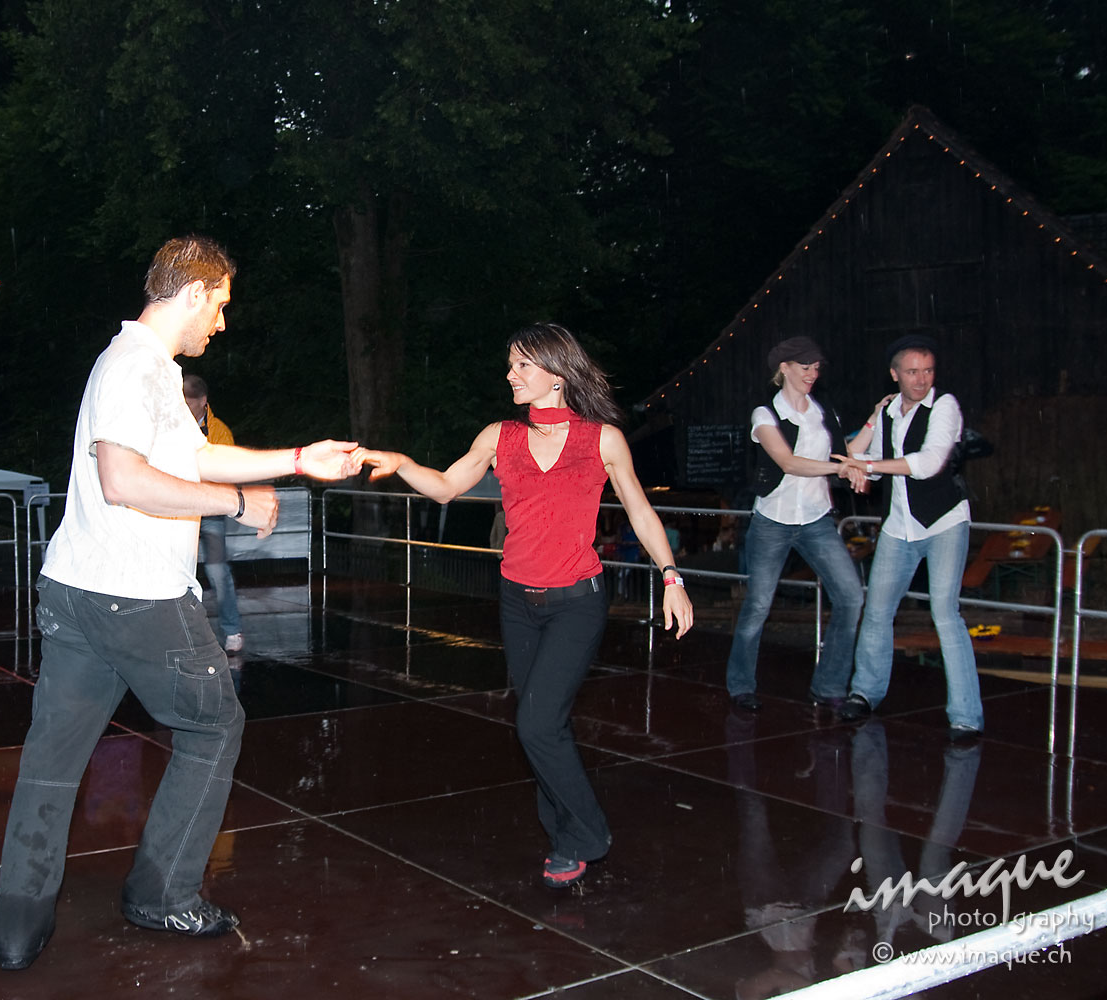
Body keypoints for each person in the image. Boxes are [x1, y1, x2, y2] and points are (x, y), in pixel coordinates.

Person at [0, 235, 360, 970]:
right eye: (219, 305)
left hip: (77, 589)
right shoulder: (135, 366)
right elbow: (124, 480)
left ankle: (17, 925)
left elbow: (192, 456)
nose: (221, 322)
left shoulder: (147, 367)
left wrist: (297, 461)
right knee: (216, 725)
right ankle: (162, 893)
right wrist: (235, 504)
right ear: (192, 292)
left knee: (54, 756)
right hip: (138, 598)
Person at [358, 322, 692, 889]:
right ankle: (563, 834)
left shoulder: (602, 440)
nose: (510, 374)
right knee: (545, 724)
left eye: (521, 365)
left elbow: (639, 510)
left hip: (576, 603)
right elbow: (446, 486)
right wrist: (402, 462)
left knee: (535, 724)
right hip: (517, 603)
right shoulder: (500, 437)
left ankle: (587, 834)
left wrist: (671, 576)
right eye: (510, 365)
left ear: (556, 373)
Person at [836, 334, 983, 743]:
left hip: (943, 523)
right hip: (898, 527)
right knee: (877, 610)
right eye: (913, 371)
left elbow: (929, 462)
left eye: (928, 371)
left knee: (945, 613)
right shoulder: (887, 412)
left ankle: (966, 716)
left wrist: (869, 466)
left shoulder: (945, 406)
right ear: (894, 374)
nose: (922, 379)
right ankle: (864, 693)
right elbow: (858, 456)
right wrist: (871, 426)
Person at [724, 337, 867, 712]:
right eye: (805, 367)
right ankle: (741, 684)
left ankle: (829, 685)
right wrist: (839, 469)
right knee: (758, 605)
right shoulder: (764, 415)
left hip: (817, 519)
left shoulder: (823, 412)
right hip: (773, 520)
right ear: (784, 368)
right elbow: (788, 462)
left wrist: (873, 422)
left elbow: (845, 453)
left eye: (816, 367)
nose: (812, 373)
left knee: (851, 597)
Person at [183, 374, 244, 651]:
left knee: (218, 571)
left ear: (203, 401)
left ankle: (232, 631)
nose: (183, 406)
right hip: (179, 509)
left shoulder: (219, 431)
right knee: (177, 570)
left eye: (188, 402)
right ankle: (182, 633)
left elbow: (228, 472)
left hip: (210, 510)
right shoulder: (171, 426)